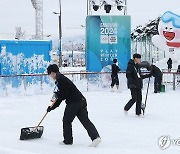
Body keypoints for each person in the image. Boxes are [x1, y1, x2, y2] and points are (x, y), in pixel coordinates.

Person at [46, 64, 101, 147]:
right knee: (85, 120)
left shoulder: (60, 80)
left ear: (53, 72)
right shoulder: (61, 78)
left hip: (74, 102)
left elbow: (63, 95)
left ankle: (68, 140)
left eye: (49, 73)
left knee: (66, 121)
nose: (50, 76)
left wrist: (54, 103)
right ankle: (95, 137)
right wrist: (53, 105)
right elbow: (62, 94)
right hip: (81, 100)